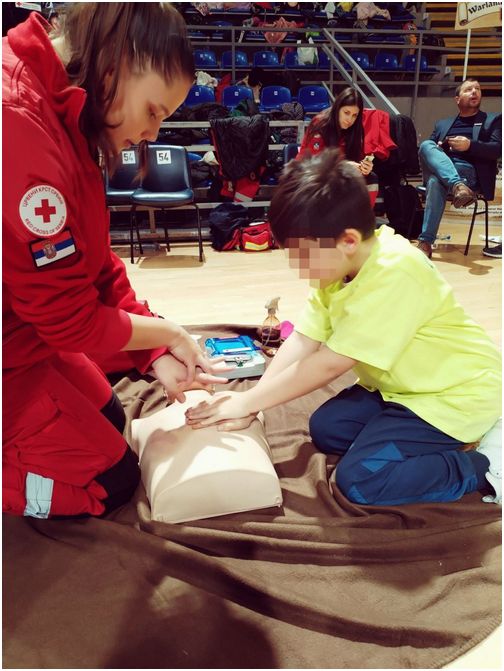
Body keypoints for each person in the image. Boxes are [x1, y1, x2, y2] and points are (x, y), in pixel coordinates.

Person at [3, 3, 226, 519]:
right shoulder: (17, 122)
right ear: (117, 61)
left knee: (110, 414)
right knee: (109, 485)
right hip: (15, 348)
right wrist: (168, 333)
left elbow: (94, 263)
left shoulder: (69, 107)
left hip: (22, 336)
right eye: (154, 111)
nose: (152, 134)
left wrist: (153, 352)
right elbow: (68, 320)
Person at [186, 148, 502, 507]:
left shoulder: (396, 271)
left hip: (453, 397)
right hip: (400, 390)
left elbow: (331, 364)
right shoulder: (340, 268)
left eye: (303, 257)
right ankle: (411, 441)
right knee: (327, 429)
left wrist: (247, 402)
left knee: (360, 481)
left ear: (348, 241)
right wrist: (253, 403)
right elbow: (304, 339)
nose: (298, 269)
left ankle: (482, 465)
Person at [416, 78, 502, 259]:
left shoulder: (492, 120)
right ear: (457, 99)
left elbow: (497, 149)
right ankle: (457, 186)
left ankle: (425, 242)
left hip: (469, 174)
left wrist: (469, 145)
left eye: (477, 88)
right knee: (426, 145)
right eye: (468, 89)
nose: (474, 92)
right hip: (446, 171)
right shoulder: (442, 124)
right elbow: (429, 152)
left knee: (435, 182)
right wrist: (440, 148)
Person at [297, 86, 396, 208]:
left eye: (355, 115)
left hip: (338, 171)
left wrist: (364, 167)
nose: (350, 119)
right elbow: (315, 162)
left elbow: (356, 158)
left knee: (371, 178)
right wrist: (344, 165)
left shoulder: (356, 128)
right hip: (311, 171)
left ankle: (362, 218)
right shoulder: (320, 123)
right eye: (346, 113)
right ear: (337, 108)